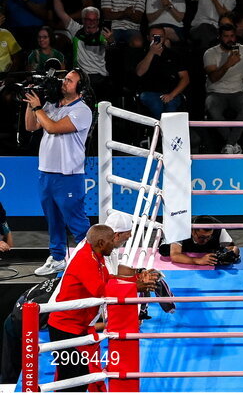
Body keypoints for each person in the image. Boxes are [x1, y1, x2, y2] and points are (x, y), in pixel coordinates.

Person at [45, 224, 155, 389]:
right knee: (72, 380)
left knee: (81, 377)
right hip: (65, 328)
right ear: (102, 242)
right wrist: (135, 287)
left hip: (79, 326)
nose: (115, 243)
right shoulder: (85, 259)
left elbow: (108, 278)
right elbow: (100, 290)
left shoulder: (97, 255)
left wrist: (136, 279)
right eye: (112, 240)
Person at [23, 69, 92, 276]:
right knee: (53, 220)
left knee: (77, 222)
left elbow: (52, 127)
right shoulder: (51, 105)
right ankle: (58, 257)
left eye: (69, 81)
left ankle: (91, 260)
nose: (64, 83)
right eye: (64, 79)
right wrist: (31, 103)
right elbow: (31, 126)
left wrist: (38, 108)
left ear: (79, 87)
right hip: (46, 172)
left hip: (68, 174)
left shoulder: (82, 111)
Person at [203, 23, 243, 154]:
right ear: (220, 37)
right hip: (216, 92)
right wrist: (228, 64)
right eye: (226, 36)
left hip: (237, 92)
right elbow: (213, 78)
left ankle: (229, 145)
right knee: (212, 108)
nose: (230, 39)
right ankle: (233, 144)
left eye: (232, 36)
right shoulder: (210, 53)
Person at [133, 25, 189, 119]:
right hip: (148, 92)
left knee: (171, 105)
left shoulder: (173, 55)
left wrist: (172, 95)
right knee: (156, 105)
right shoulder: (141, 53)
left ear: (165, 38)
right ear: (148, 37)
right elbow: (139, 72)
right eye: (154, 36)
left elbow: (185, 78)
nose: (157, 39)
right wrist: (151, 53)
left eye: (161, 37)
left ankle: (169, 132)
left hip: (170, 92)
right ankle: (161, 131)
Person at [160, 216, 239, 266]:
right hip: (181, 246)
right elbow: (175, 255)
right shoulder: (182, 228)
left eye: (208, 237)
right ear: (193, 231)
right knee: (165, 251)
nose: (205, 240)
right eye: (202, 237)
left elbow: (233, 247)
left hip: (205, 250)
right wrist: (198, 260)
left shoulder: (218, 228)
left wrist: (229, 254)